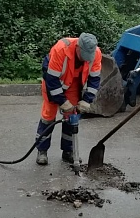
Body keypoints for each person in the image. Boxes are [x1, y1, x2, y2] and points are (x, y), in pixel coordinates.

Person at [35, 33, 102, 165]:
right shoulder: (61, 49)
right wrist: (62, 101)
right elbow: (52, 80)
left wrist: (87, 100)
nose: (85, 59)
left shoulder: (96, 54)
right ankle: (42, 151)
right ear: (78, 47)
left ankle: (68, 151)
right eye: (83, 56)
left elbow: (95, 80)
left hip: (72, 84)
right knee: (48, 116)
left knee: (71, 117)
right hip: (54, 83)